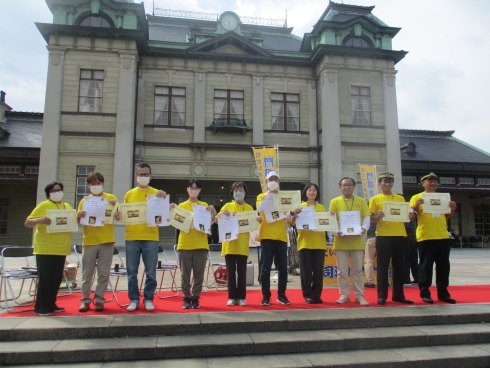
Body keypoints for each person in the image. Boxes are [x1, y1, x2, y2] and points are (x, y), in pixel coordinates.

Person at [24, 181, 73, 316]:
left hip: (61, 247)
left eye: (59, 190)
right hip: (45, 248)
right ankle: (40, 306)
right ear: (48, 194)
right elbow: (28, 222)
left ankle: (51, 303)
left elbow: (71, 221)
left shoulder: (67, 206)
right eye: (54, 191)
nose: (57, 193)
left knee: (56, 278)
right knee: (45, 278)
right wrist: (40, 220)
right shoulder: (44, 205)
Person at [124, 163, 167, 312]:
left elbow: (163, 215)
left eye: (146, 174)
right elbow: (125, 214)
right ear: (136, 176)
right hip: (132, 237)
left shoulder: (158, 193)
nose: (143, 176)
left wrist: (163, 199)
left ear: (151, 176)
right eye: (141, 174)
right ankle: (134, 299)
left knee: (150, 272)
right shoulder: (129, 194)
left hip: (151, 237)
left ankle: (148, 299)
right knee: (132, 272)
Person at [410, 173, 457, 304]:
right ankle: (425, 293)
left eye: (435, 181)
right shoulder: (416, 197)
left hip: (442, 235)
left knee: (443, 266)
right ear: (423, 183)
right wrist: (415, 206)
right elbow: (409, 216)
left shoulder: (442, 197)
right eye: (429, 181)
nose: (433, 183)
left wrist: (453, 209)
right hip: (426, 236)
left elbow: (446, 216)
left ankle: (443, 294)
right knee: (425, 267)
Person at [257, 171, 301, 306]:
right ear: (266, 182)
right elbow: (260, 209)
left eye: (276, 179)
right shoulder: (261, 196)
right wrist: (270, 194)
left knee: (282, 268)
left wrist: (293, 215)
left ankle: (281, 295)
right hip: (266, 236)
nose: (273, 181)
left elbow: (288, 217)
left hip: (282, 236)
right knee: (265, 268)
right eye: (271, 179)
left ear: (279, 182)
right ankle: (266, 295)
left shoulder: (284, 197)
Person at [77, 172, 120, 312]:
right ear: (88, 185)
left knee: (103, 273)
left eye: (98, 183)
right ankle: (85, 300)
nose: (96, 186)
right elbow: (79, 221)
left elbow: (120, 216)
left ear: (103, 184)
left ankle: (99, 300)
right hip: (89, 241)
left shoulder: (111, 198)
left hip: (107, 240)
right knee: (86, 273)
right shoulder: (84, 201)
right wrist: (79, 216)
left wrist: (116, 208)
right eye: (93, 184)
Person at [369, 173, 413, 305]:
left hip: (399, 235)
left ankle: (398, 295)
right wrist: (377, 217)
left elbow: (407, 215)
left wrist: (410, 216)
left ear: (392, 183)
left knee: (399, 266)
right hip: (383, 235)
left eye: (390, 181)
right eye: (385, 182)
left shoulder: (400, 198)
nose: (387, 184)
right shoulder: (375, 199)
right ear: (379, 184)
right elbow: (370, 219)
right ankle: (382, 296)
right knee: (382, 266)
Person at [172, 179, 216, 309]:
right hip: (184, 244)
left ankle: (196, 297)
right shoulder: (181, 206)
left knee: (199, 274)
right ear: (187, 189)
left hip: (201, 244)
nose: (193, 190)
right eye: (191, 187)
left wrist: (213, 212)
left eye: (196, 188)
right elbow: (176, 221)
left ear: (199, 190)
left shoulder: (204, 205)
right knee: (185, 275)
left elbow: (211, 222)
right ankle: (186, 298)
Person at [329, 177, 370, 306]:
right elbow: (332, 220)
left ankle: (359, 296)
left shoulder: (361, 201)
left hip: (357, 240)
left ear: (354, 186)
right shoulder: (334, 202)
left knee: (358, 270)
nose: (347, 187)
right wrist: (336, 232)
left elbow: (366, 217)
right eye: (344, 185)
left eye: (349, 185)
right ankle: (344, 295)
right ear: (340, 187)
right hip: (341, 241)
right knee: (342, 271)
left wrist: (363, 229)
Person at [217, 182, 260, 306]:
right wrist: (221, 215)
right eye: (235, 190)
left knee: (242, 273)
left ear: (245, 192)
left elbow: (253, 227)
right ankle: (231, 297)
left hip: (242, 245)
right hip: (229, 245)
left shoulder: (249, 209)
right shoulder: (227, 206)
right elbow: (217, 220)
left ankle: (241, 297)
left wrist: (257, 221)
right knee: (230, 273)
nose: (237, 192)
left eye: (240, 190)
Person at [291, 183, 326, 304]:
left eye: (314, 190)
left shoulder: (321, 207)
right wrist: (294, 218)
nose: (312, 192)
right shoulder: (300, 207)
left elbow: (325, 223)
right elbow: (293, 223)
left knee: (318, 271)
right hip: (305, 243)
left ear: (317, 193)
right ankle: (308, 295)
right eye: (309, 190)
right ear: (305, 192)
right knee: (305, 272)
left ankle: (317, 294)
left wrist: (330, 217)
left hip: (319, 243)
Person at [403, 217, 419, 286]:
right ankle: (417, 278)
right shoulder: (414, 216)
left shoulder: (407, 215)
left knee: (406, 261)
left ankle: (406, 279)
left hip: (407, 239)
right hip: (414, 239)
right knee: (414, 261)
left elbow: (407, 226)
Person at [363, 222, 376, 288]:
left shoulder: (369, 217)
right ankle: (384, 281)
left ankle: (370, 281)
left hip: (371, 238)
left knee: (368, 260)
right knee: (383, 262)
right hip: (382, 238)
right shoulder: (382, 214)